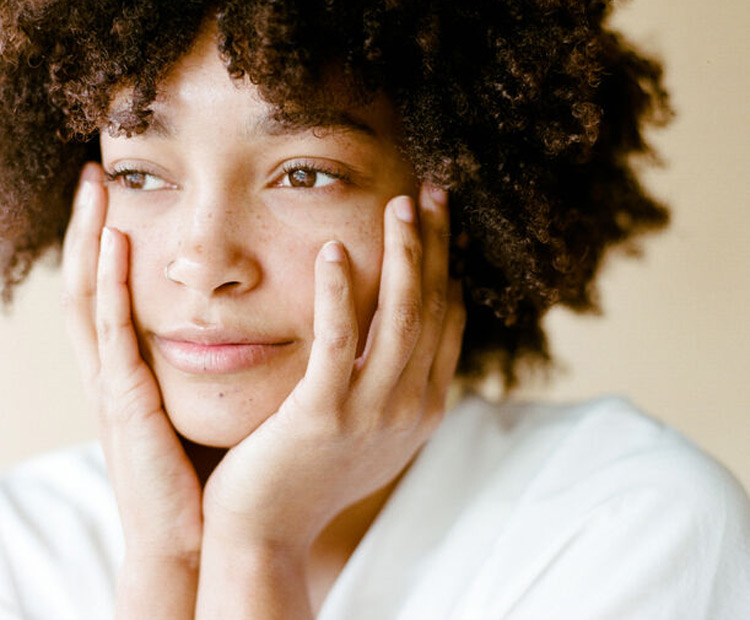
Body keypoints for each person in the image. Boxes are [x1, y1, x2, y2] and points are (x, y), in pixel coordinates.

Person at [1, 1, 748, 618]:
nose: (201, 261)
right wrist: (170, 562)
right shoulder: (20, 549)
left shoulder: (628, 526)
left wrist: (256, 554)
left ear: (454, 202)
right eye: (137, 172)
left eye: (304, 174)